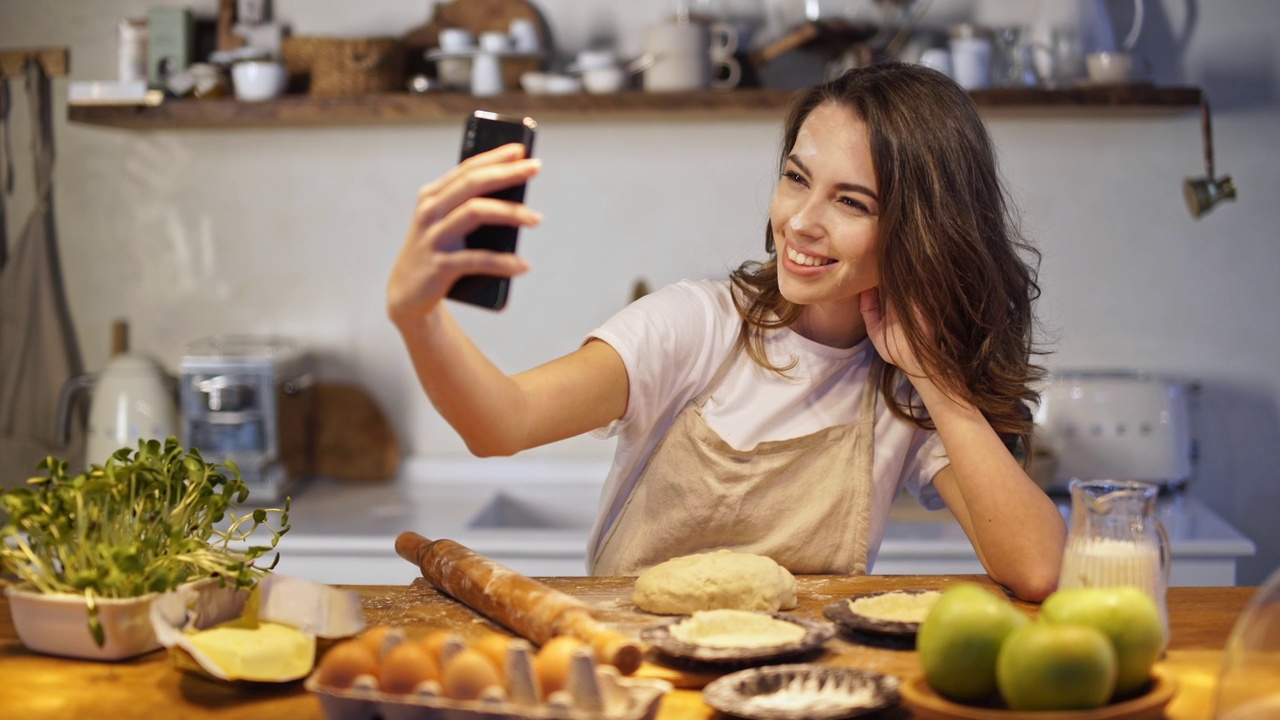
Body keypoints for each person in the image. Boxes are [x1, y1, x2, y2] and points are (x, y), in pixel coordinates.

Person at [387, 62, 1067, 601]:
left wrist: (937, 383)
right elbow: (501, 424)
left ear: (919, 229)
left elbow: (1038, 570)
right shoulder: (695, 326)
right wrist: (418, 318)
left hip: (804, 691)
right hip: (641, 683)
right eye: (796, 179)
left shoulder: (905, 387)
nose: (801, 221)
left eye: (851, 202)